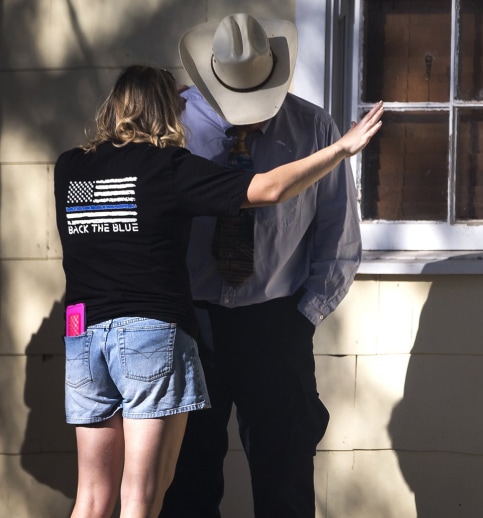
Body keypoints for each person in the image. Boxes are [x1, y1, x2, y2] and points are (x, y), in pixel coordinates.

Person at [54, 64, 382, 518]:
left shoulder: (69, 168)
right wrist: (343, 148)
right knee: (146, 495)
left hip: (84, 335)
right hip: (159, 332)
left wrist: (299, 318)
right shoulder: (169, 168)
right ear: (171, 110)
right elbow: (267, 188)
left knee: (91, 496)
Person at [160, 13, 363, 518]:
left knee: (285, 477)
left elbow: (338, 235)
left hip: (276, 322)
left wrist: (303, 318)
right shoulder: (171, 125)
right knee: (186, 480)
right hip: (190, 323)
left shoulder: (313, 127)